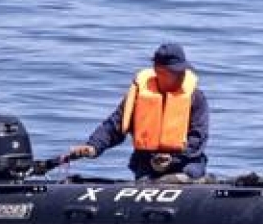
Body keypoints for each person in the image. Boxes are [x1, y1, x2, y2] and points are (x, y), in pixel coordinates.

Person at [69, 43, 209, 182]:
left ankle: (188, 182)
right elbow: (114, 126)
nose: (181, 76)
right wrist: (93, 146)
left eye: (182, 71)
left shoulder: (196, 98)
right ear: (158, 71)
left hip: (186, 162)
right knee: (147, 180)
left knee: (185, 175)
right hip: (148, 164)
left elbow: (198, 137)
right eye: (175, 72)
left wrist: (173, 159)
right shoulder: (139, 97)